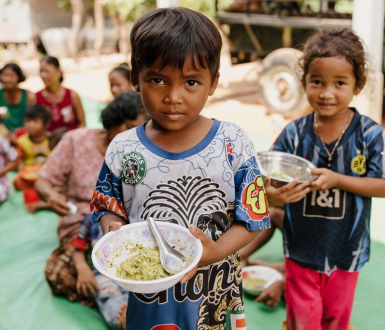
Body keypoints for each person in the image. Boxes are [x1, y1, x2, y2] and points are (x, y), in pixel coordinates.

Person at [90, 8, 273, 329]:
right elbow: (107, 205)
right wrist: (115, 232)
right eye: (157, 80)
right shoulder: (123, 148)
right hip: (148, 292)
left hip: (211, 291)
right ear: (135, 78)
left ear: (213, 82)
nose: (173, 97)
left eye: (191, 82)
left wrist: (213, 251)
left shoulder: (233, 142)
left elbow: (254, 219)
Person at [271, 28, 385, 330]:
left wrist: (338, 179)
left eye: (340, 83)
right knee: (303, 321)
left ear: (357, 85)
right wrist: (274, 196)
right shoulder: (294, 133)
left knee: (336, 319)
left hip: (347, 251)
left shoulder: (370, 134)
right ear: (304, 82)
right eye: (317, 81)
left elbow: (382, 184)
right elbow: (267, 179)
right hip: (299, 249)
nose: (326, 92)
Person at [34, 91, 148, 308]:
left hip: (122, 229)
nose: (131, 135)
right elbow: (43, 181)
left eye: (138, 131)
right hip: (80, 228)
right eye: (126, 127)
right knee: (59, 274)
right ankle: (116, 300)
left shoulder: (140, 153)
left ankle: (114, 298)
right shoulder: (75, 140)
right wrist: (51, 195)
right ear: (113, 119)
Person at [72, 214, 128, 329]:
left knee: (136, 295)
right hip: (102, 273)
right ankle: (121, 319)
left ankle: (131, 312)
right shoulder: (90, 220)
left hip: (127, 271)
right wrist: (82, 267)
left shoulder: (131, 217)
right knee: (107, 293)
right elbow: (78, 250)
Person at [13, 104, 51, 213]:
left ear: (46, 124)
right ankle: (38, 196)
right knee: (17, 182)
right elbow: (20, 159)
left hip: (46, 174)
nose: (30, 125)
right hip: (29, 176)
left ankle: (41, 199)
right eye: (27, 121)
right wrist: (21, 171)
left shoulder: (50, 140)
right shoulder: (21, 141)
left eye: (35, 121)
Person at [36, 55, 86, 132]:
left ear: (58, 72)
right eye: (41, 71)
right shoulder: (36, 97)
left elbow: (82, 123)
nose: (43, 75)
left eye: (47, 71)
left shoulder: (72, 95)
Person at [0, 63, 36, 139]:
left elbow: (32, 120)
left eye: (11, 76)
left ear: (18, 77)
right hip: (5, 133)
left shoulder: (29, 95)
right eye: (4, 75)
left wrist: (19, 133)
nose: (7, 79)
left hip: (25, 133)